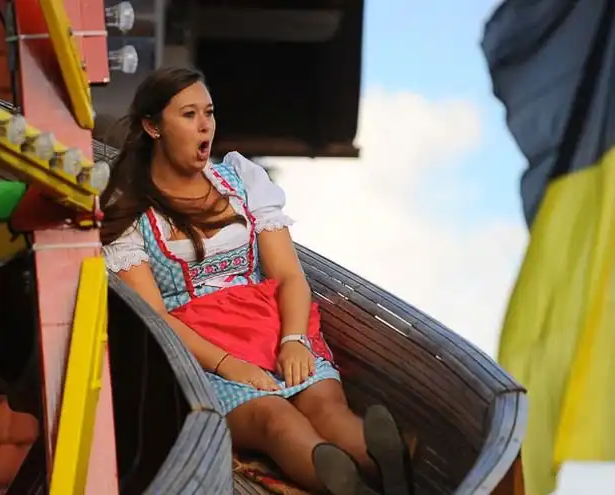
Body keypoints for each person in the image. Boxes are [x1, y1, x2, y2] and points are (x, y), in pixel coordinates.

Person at [100, 66, 413, 495]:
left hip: (272, 328)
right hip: (201, 355)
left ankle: (375, 469)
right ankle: (371, 477)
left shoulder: (241, 180)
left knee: (325, 408)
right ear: (153, 127)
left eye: (209, 112)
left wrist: (294, 340)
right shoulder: (130, 211)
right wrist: (231, 365)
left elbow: (288, 274)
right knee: (274, 419)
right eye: (189, 115)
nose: (205, 125)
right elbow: (154, 316)